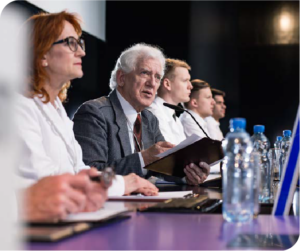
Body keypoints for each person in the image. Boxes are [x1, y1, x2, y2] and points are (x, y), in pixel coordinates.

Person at [16, 10, 158, 205]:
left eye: (79, 43)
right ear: (42, 55)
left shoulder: (56, 109)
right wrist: (123, 184)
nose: (82, 52)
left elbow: (81, 171)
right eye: (70, 43)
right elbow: (48, 183)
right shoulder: (18, 108)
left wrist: (126, 181)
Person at [73, 44, 210, 185]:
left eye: (157, 77)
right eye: (145, 73)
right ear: (121, 78)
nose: (152, 83)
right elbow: (91, 174)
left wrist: (187, 174)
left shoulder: (149, 119)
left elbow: (163, 166)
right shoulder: (94, 113)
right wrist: (143, 159)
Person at [147, 58, 192, 145]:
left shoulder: (173, 115)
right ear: (167, 84)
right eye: (185, 81)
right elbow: (169, 152)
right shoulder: (154, 113)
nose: (190, 86)